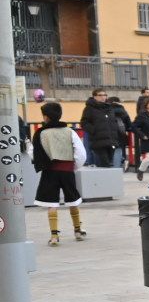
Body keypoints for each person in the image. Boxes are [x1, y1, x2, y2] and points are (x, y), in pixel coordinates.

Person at [30, 101, 87, 246]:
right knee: (72, 199)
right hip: (67, 170)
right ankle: (78, 230)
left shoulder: (40, 133)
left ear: (46, 117)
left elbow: (33, 154)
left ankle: (54, 236)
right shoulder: (70, 132)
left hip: (50, 172)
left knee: (51, 203)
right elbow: (81, 153)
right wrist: (73, 167)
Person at [79, 89, 121, 168]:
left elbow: (113, 121)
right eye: (100, 95)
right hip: (98, 141)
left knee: (110, 163)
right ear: (94, 97)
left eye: (104, 95)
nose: (103, 97)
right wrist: (94, 130)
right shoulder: (89, 108)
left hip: (111, 140)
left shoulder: (110, 108)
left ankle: (107, 179)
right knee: (104, 164)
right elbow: (84, 123)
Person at [106, 96, 134, 169]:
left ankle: (109, 165)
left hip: (108, 134)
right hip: (120, 134)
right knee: (119, 149)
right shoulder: (123, 111)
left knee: (109, 150)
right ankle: (118, 166)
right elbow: (129, 125)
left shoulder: (106, 110)